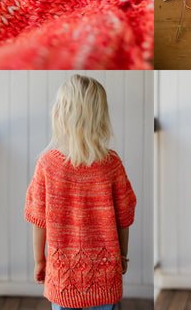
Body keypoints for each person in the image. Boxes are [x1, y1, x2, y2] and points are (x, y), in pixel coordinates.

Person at [25, 74, 137, 310]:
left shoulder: (47, 164)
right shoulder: (112, 164)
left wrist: (39, 260)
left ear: (60, 114)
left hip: (62, 274)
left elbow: (38, 219)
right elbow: (124, 217)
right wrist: (123, 255)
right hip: (106, 271)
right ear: (100, 118)